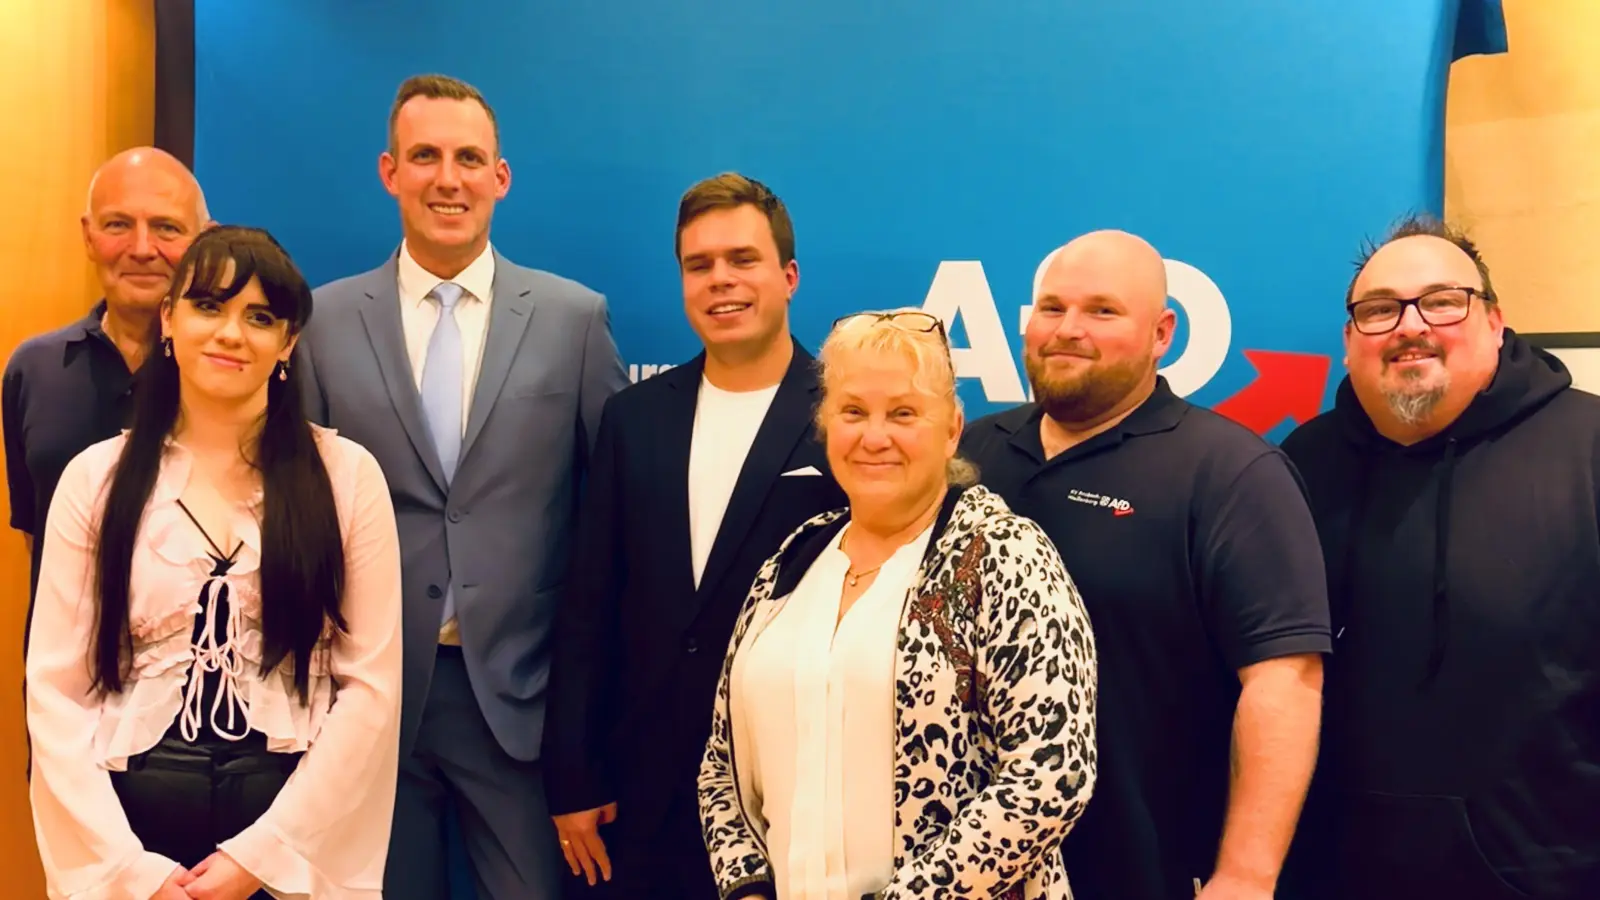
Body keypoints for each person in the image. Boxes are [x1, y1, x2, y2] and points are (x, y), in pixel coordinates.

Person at [295, 73, 628, 900]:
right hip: (366, 702)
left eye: (469, 158)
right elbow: (296, 514)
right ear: (389, 171)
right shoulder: (323, 323)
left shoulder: (573, 319)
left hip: (520, 702)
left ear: (499, 177)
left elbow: (617, 516)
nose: (448, 178)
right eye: (426, 157)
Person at [25, 225, 404, 900]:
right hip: (136, 839)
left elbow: (370, 690)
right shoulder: (96, 481)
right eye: (209, 306)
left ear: (287, 344)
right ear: (168, 321)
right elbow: (57, 694)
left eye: (260, 317)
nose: (232, 333)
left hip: (289, 857)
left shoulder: (347, 479)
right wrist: (129, 874)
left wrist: (262, 858)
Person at [959, 230, 1330, 900]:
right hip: (964, 872)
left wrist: (1245, 875)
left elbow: (1284, 682)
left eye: (1102, 311)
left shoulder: (1230, 473)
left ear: (1162, 333)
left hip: (1140, 870)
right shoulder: (968, 454)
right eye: (1051, 308)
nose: (1068, 330)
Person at [699, 308, 1098, 899]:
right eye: (853, 412)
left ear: (952, 429)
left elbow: (1052, 774)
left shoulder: (1003, 554)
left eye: (904, 413)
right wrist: (748, 888)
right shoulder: (791, 562)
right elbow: (720, 769)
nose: (875, 436)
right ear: (825, 425)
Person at [542, 173, 845, 899]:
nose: (721, 281)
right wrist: (574, 774)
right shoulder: (634, 417)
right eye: (699, 264)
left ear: (789, 276)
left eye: (742, 259)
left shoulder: (842, 415)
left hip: (787, 794)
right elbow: (590, 606)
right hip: (636, 794)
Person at [1279, 215, 1600, 899]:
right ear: (1347, 341)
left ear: (1494, 321)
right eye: (1379, 309)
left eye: (1442, 301)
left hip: (1542, 876)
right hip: (1330, 877)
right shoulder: (1299, 467)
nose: (1409, 325)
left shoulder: (1589, 450)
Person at [5, 146, 209, 646]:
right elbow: (40, 537)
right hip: (63, 686)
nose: (142, 248)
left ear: (203, 240)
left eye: (167, 228)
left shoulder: (237, 377)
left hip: (201, 694)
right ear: (88, 236)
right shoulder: (33, 369)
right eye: (118, 225)